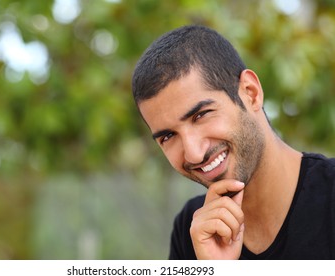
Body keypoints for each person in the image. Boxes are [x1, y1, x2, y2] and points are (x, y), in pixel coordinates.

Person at [131, 24, 335, 260]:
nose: (194, 154)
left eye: (201, 115)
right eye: (168, 136)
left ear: (251, 93)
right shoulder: (193, 230)